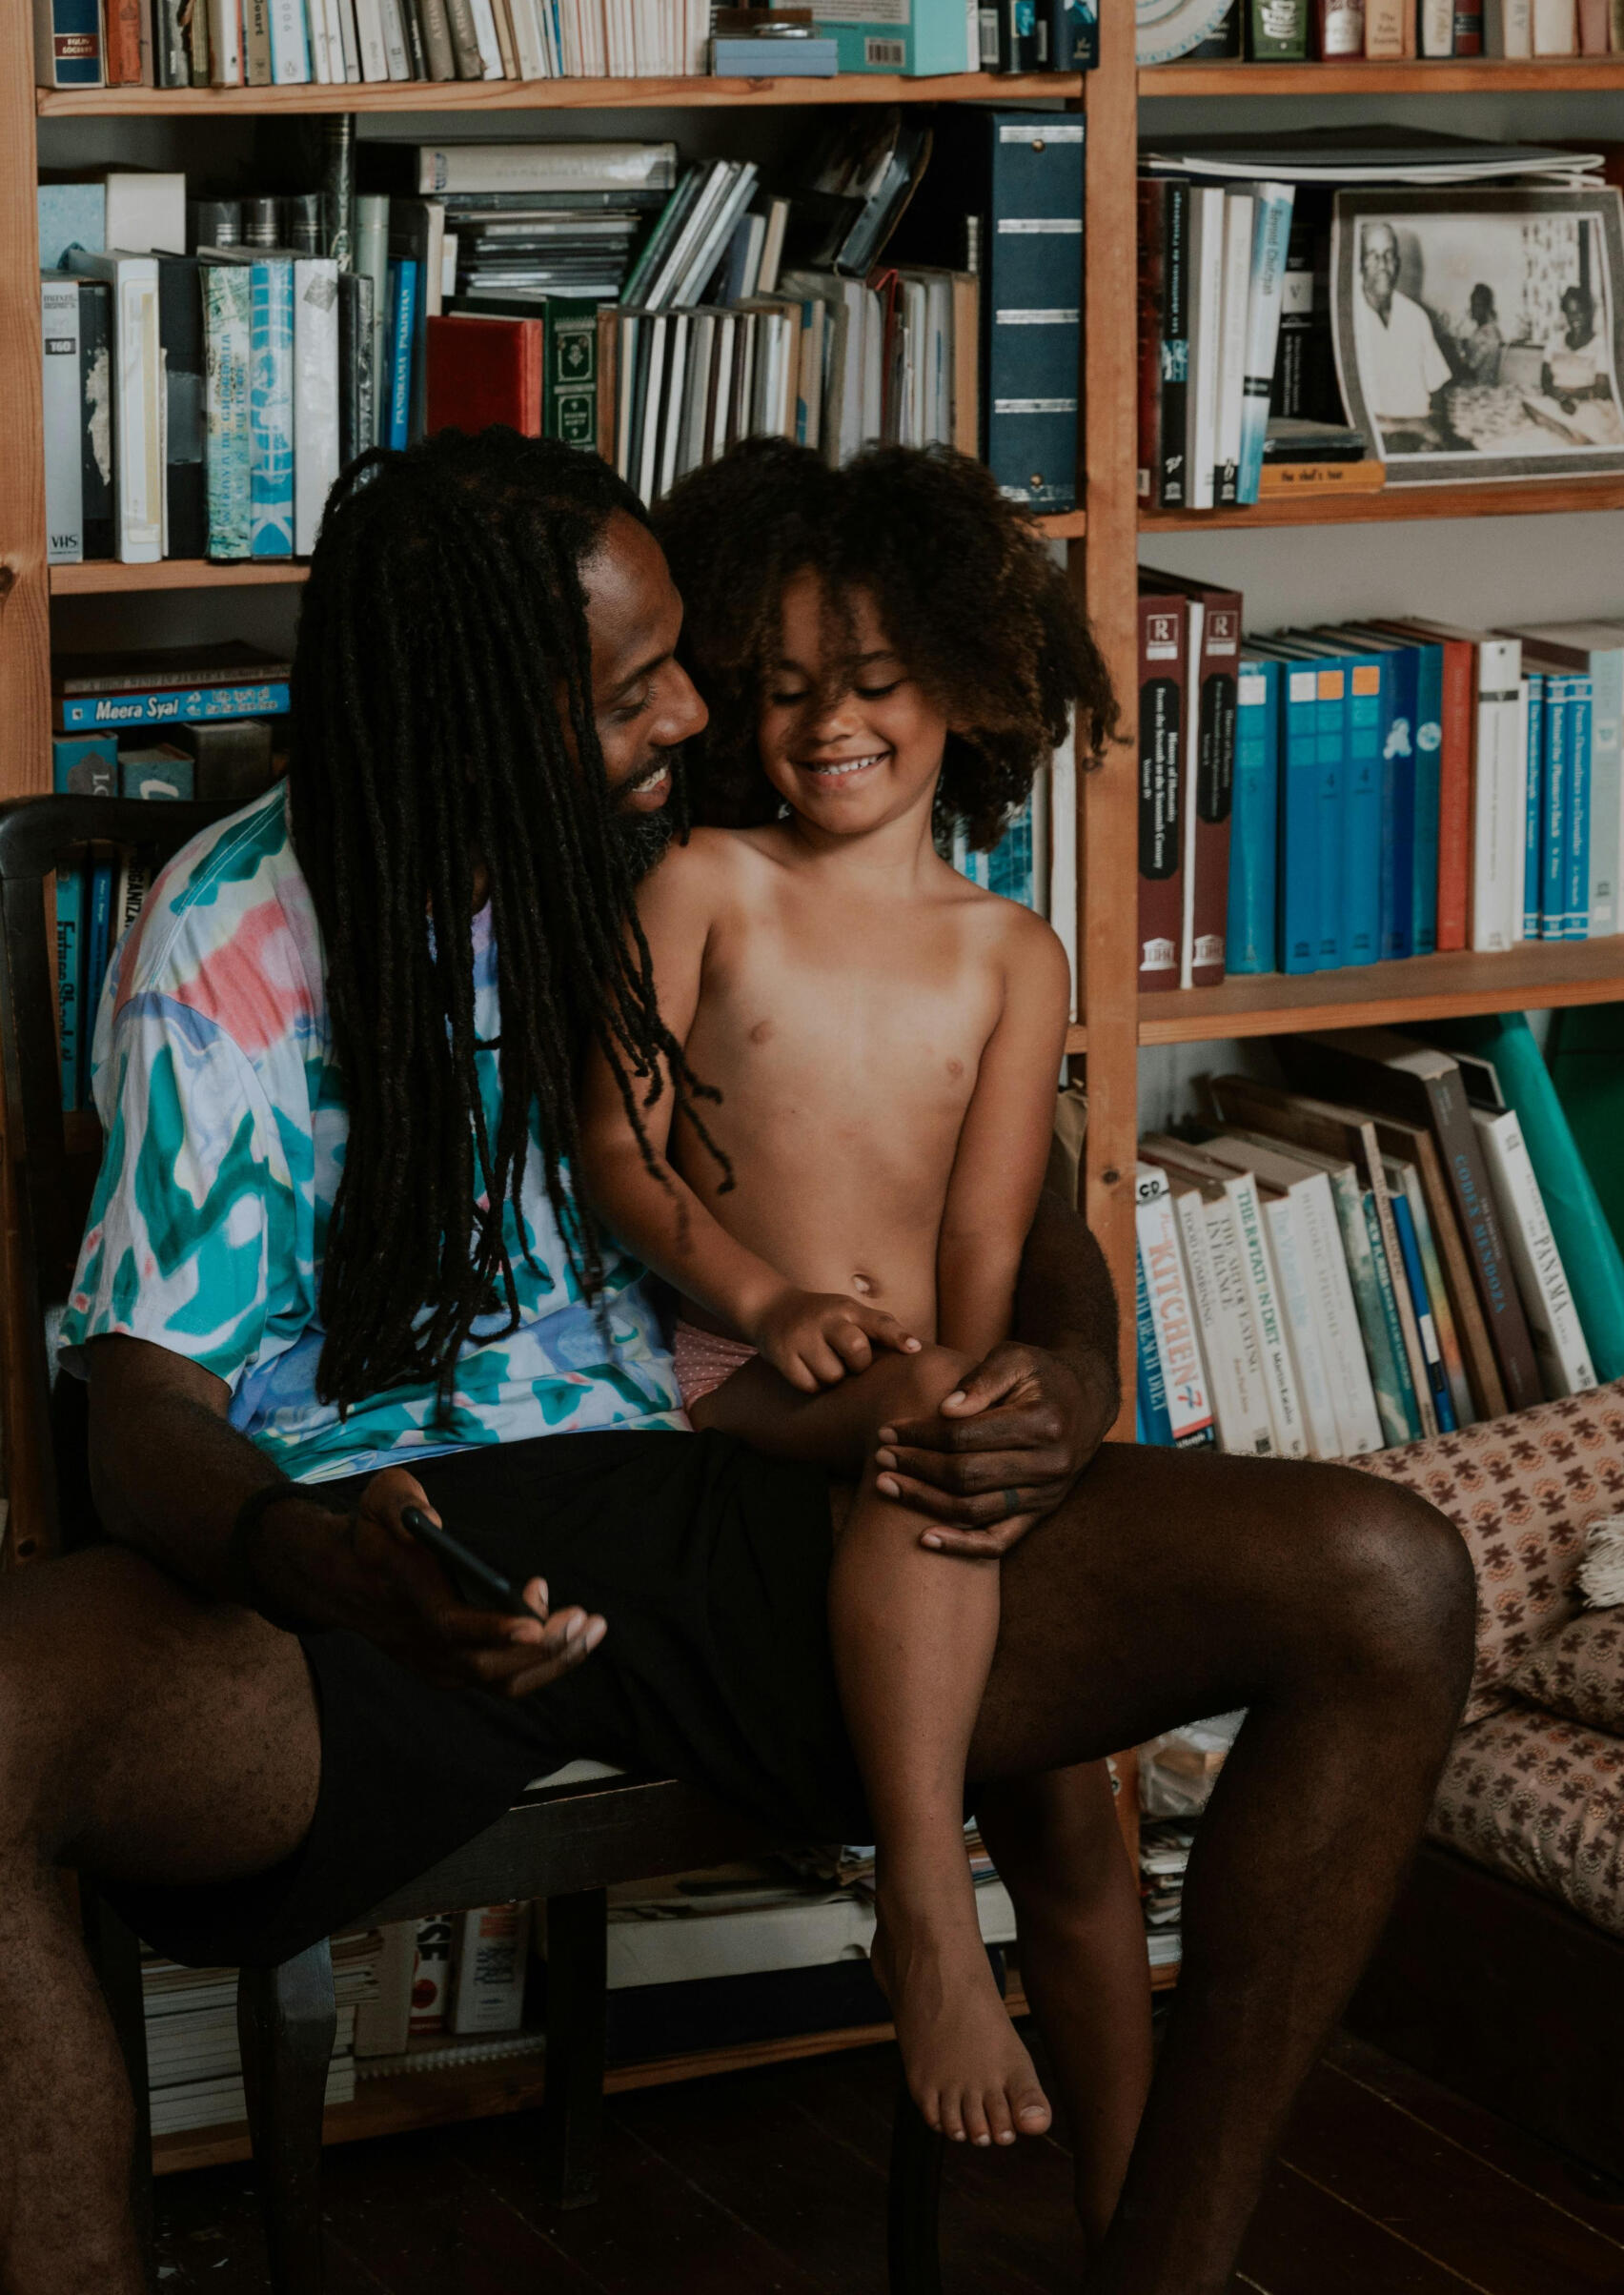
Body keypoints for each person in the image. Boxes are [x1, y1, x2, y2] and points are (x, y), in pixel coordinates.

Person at [0, 429, 1477, 2295]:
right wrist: (319, 1562)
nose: (695, 709)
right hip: (362, 1573)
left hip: (730, 1496)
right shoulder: (228, 925)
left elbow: (997, 1188)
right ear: (479, 717)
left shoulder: (725, 856)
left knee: (1385, 1577)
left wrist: (1077, 1377)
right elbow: (142, 1407)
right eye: (637, 686)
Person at [579, 441, 1140, 2172]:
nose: (826, 723)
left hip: (904, 1377)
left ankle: (1135, 2218)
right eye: (785, 688)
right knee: (919, 1435)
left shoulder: (1009, 952)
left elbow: (988, 1241)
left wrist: (974, 1381)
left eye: (876, 684)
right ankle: (917, 1900)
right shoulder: (705, 890)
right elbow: (615, 1152)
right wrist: (766, 1293)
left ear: (967, 689)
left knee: (1082, 1795)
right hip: (720, 1362)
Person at [1352, 219, 1451, 451]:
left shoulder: (1416, 317)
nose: (1383, 264)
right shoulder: (1346, 316)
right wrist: (1415, 425)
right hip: (1371, 444)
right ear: (1359, 263)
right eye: (1373, 255)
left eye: (1388, 255)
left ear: (1397, 262)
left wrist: (1432, 433)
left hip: (1419, 441)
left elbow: (1437, 392)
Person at [1458, 283, 1504, 385]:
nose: (1473, 309)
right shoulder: (1480, 330)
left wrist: (1459, 350)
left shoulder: (1489, 334)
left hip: (1481, 389)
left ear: (1487, 308)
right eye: (1472, 304)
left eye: (1477, 305)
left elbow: (1471, 367)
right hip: (1475, 386)